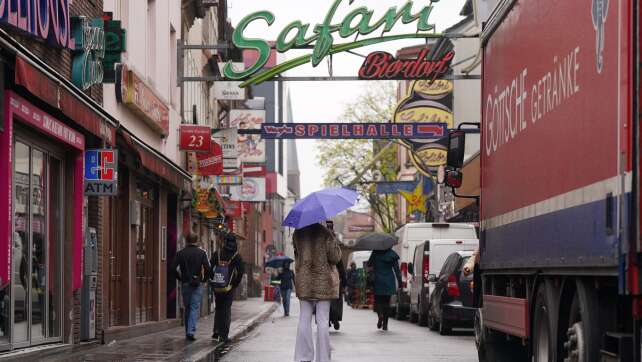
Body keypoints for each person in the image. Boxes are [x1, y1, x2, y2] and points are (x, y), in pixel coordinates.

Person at [293, 223, 342, 362]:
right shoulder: (325, 233)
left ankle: (303, 357)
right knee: (322, 320)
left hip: (304, 281)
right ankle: (323, 358)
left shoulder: (298, 233)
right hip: (323, 281)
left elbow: (297, 255)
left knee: (304, 318)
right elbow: (335, 257)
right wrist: (333, 237)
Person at [171, 233, 210, 340]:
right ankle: (190, 331)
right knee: (194, 307)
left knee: (188, 307)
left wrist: (180, 278)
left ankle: (188, 331)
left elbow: (173, 268)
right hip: (197, 284)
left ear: (186, 240)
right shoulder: (202, 253)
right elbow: (208, 268)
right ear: (196, 240)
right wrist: (203, 280)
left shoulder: (180, 253)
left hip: (185, 283)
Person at [210, 234, 245, 344]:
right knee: (226, 310)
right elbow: (240, 272)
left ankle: (216, 332)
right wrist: (234, 285)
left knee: (219, 309)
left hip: (217, 287)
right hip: (228, 288)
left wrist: (213, 282)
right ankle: (224, 335)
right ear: (234, 243)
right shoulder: (236, 256)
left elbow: (209, 267)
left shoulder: (218, 253)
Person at [367, 248, 402, 331]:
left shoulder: (375, 253)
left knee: (378, 301)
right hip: (389, 280)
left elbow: (369, 265)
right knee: (387, 303)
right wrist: (400, 282)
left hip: (378, 280)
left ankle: (380, 315)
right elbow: (397, 270)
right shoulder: (392, 254)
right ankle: (385, 324)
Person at [329, 260, 347, 330]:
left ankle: (326, 320)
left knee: (325, 301)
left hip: (324, 280)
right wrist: (345, 282)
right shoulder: (336, 253)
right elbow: (341, 269)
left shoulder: (320, 251)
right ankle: (335, 318)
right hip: (336, 281)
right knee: (336, 301)